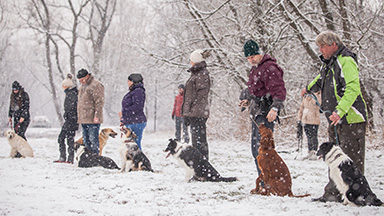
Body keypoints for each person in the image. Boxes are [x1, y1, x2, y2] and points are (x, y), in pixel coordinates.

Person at [301, 31, 367, 203]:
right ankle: (333, 193)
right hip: (334, 119)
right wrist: (308, 87)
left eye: (323, 46)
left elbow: (353, 88)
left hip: (351, 118)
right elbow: (320, 78)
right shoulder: (328, 64)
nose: (320, 50)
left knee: (351, 160)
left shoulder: (346, 61)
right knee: (333, 159)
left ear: (333, 45)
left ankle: (357, 195)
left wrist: (340, 111)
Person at [239, 39, 286, 178]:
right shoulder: (255, 69)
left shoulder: (270, 68)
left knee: (264, 150)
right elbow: (254, 89)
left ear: (259, 53)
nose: (250, 60)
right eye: (248, 58)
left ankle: (269, 180)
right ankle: (263, 179)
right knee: (256, 150)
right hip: (256, 112)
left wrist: (275, 108)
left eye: (252, 56)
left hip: (266, 112)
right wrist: (246, 99)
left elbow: (279, 91)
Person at [182, 49, 211, 160]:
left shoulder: (201, 75)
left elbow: (200, 97)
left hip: (198, 114)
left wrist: (191, 113)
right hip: (195, 114)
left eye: (191, 60)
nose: (190, 62)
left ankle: (202, 170)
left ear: (195, 60)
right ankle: (200, 171)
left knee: (199, 144)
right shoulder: (197, 74)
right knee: (197, 143)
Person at [77, 68, 104, 154]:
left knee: (93, 140)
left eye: (82, 79)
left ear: (87, 76)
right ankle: (88, 158)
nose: (81, 81)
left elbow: (99, 102)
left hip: (92, 118)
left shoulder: (96, 85)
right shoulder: (82, 86)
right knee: (86, 140)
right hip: (84, 118)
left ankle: (95, 157)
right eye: (80, 80)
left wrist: (97, 115)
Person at [54, 74, 79, 163]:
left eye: (63, 85)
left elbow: (72, 108)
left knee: (64, 138)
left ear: (67, 86)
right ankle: (67, 157)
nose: (62, 87)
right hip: (71, 120)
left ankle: (66, 157)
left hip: (71, 120)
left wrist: (68, 116)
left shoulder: (72, 94)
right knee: (68, 139)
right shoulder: (71, 93)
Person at [119, 73, 147, 150]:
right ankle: (134, 161)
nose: (127, 83)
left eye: (129, 81)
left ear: (134, 81)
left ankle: (138, 161)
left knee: (135, 145)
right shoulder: (134, 91)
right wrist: (123, 118)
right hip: (131, 120)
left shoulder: (138, 91)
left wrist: (124, 112)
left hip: (136, 121)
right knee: (130, 145)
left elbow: (138, 106)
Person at [297, 91, 321, 160]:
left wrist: (314, 95)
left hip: (314, 120)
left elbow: (319, 104)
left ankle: (314, 151)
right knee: (308, 136)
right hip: (305, 119)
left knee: (313, 136)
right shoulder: (305, 96)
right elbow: (301, 108)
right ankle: (310, 151)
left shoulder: (318, 95)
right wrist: (299, 118)